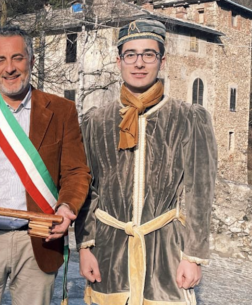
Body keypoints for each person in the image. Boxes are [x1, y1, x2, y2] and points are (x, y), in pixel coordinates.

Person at [75, 19, 218, 305]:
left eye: (148, 54)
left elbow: (199, 192)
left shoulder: (189, 119)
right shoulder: (96, 121)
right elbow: (87, 189)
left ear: (162, 61)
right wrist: (85, 246)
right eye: (131, 54)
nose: (139, 63)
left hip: (165, 253)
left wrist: (193, 256)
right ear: (119, 61)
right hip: (108, 251)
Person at [0, 25, 91, 305]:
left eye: (18, 58)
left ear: (31, 61)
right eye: (0, 60)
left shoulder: (62, 111)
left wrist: (66, 208)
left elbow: (75, 171)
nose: (9, 68)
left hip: (38, 239)